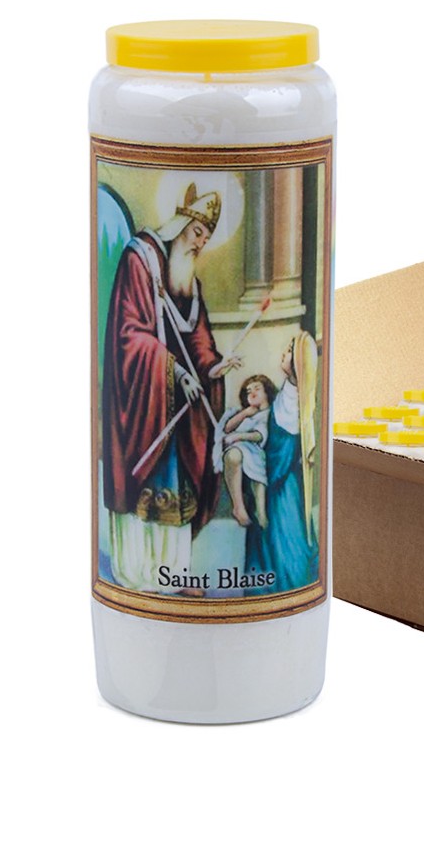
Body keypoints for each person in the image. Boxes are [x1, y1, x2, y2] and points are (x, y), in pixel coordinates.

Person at [101, 183, 242, 591]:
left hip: (177, 413)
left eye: (206, 238)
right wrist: (176, 372)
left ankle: (174, 573)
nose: (200, 243)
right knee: (147, 490)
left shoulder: (187, 281)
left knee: (177, 492)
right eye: (197, 232)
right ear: (181, 223)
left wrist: (212, 368)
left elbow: (198, 340)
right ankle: (141, 574)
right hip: (144, 403)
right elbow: (130, 335)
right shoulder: (139, 259)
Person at [263, 332, 320, 593]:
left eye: (289, 351)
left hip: (284, 483)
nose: (283, 355)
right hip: (279, 481)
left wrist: (268, 472)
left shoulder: (296, 403)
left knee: (287, 535)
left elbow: (284, 447)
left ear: (297, 363)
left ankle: (290, 583)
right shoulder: (286, 393)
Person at [216, 374, 275, 530]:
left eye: (257, 389)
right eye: (248, 391)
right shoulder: (246, 413)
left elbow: (259, 435)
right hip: (239, 448)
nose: (252, 393)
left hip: (255, 449)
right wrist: (244, 414)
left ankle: (261, 513)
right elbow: (227, 428)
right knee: (233, 455)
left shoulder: (270, 413)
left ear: (267, 392)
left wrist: (238, 436)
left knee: (259, 471)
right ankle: (238, 507)